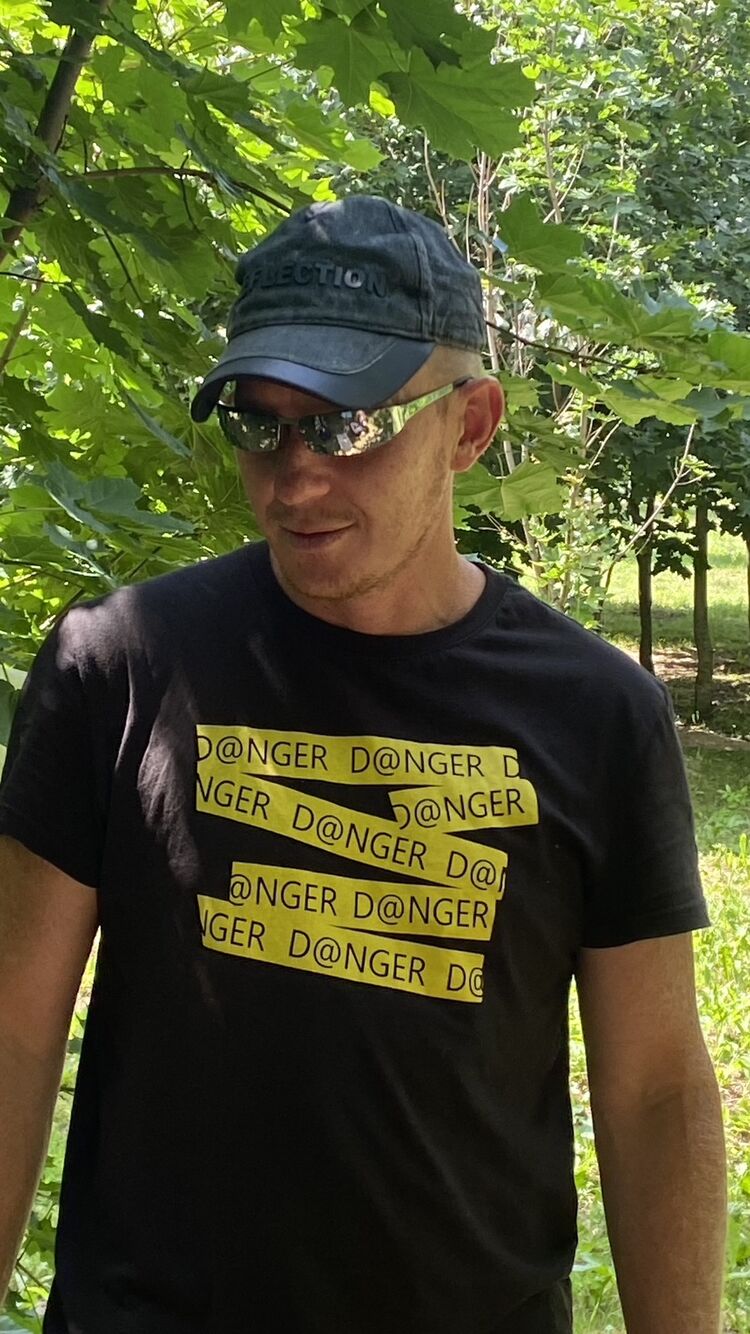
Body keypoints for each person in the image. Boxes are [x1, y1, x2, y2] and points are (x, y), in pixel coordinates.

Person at [0, 195, 726, 1334]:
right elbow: (12, 1028)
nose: (295, 480)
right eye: (260, 426)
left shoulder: (596, 713)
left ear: (470, 425)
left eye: (347, 427)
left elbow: (654, 1088)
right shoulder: (120, 663)